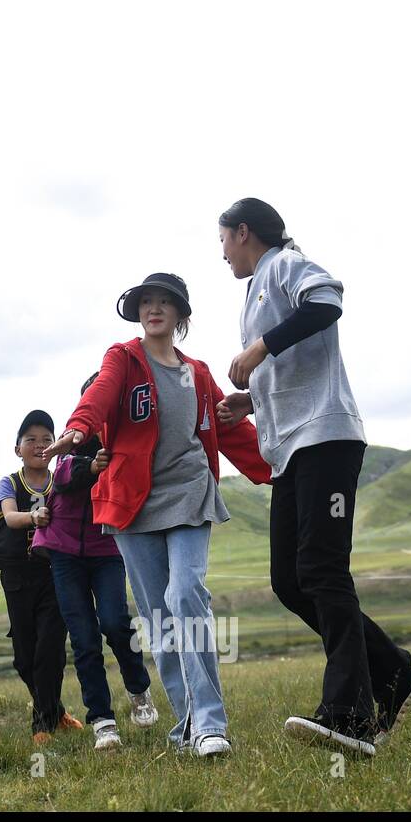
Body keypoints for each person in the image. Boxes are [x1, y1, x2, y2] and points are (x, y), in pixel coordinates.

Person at [216, 197, 411, 756]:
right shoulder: (257, 286)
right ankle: (393, 671)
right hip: (290, 450)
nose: (224, 256)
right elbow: (297, 366)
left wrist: (259, 347)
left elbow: (327, 304)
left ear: (243, 233)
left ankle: (348, 715)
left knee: (323, 569)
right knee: (290, 578)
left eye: (224, 243)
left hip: (326, 439)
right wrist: (250, 402)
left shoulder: (284, 264)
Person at [44, 273, 272, 757]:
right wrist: (80, 428)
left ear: (180, 314)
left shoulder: (198, 372)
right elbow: (101, 394)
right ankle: (188, 722)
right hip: (132, 502)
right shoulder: (123, 359)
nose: (154, 308)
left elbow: (231, 432)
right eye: (146, 301)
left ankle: (212, 724)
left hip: (190, 491)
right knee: (160, 620)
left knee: (186, 594)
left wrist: (284, 469)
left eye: (164, 302)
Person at [33, 380, 158, 751]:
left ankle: (138, 689)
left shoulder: (131, 437)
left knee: (116, 624)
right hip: (65, 553)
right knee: (85, 639)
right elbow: (64, 477)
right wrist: (93, 466)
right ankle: (103, 720)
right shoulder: (74, 440)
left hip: (108, 548)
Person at [0, 410, 79, 744]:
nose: (39, 445)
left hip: (56, 575)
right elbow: (9, 517)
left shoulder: (64, 478)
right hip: (18, 578)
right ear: (17, 448)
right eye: (31, 440)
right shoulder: (9, 482)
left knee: (49, 650)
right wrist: (34, 516)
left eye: (47, 440)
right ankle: (56, 710)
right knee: (25, 658)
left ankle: (42, 726)